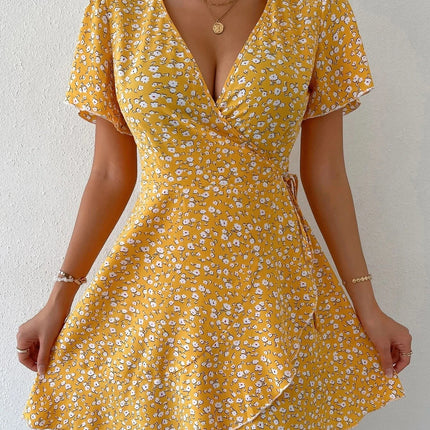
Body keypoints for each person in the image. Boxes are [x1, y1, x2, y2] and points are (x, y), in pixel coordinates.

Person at [18, 0, 412, 428]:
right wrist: (59, 300)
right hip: (157, 296)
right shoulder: (117, 11)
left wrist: (368, 308)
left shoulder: (316, 10)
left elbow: (327, 176)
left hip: (273, 296)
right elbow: (110, 175)